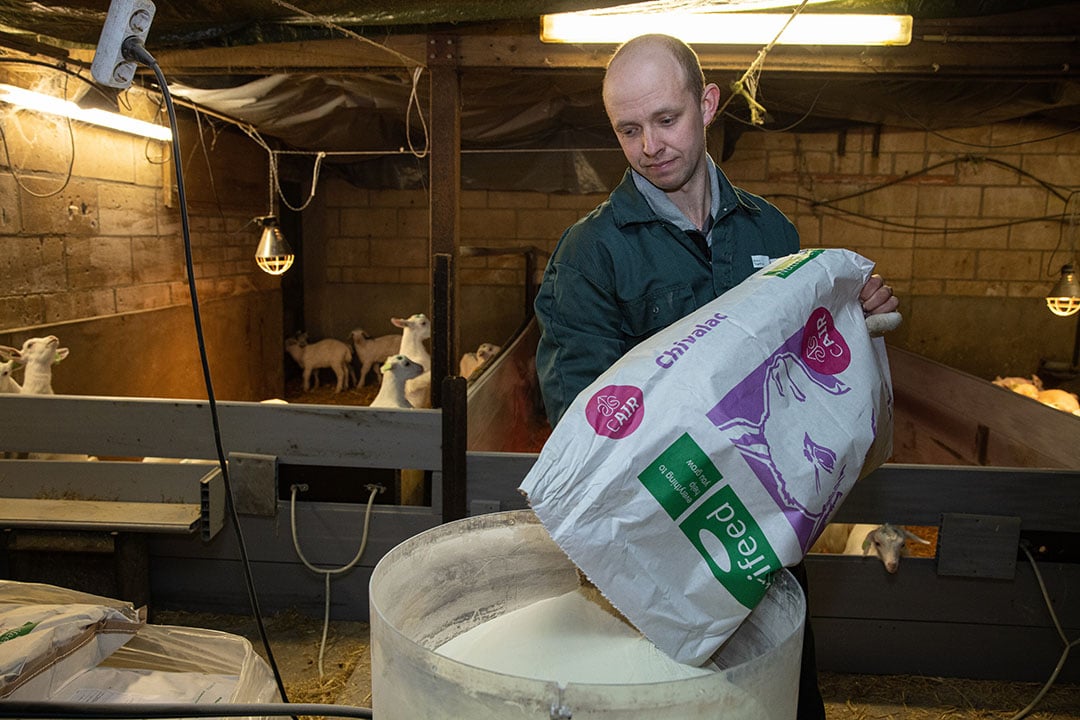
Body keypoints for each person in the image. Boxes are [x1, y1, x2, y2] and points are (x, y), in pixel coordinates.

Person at [533, 34, 898, 720]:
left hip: (769, 535)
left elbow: (807, 374)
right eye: (629, 130)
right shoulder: (591, 253)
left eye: (666, 120)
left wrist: (858, 322)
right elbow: (579, 418)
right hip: (665, 543)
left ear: (707, 104)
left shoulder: (773, 232)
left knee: (782, 699)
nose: (650, 146)